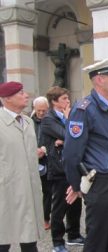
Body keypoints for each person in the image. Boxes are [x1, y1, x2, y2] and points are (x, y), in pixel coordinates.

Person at [63, 55, 108, 252]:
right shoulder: (84, 109)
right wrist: (77, 185)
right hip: (100, 183)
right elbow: (71, 153)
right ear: (99, 80)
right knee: (97, 239)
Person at [0, 81, 44, 252]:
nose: (26, 96)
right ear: (7, 98)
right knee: (3, 238)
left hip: (29, 188)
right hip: (6, 190)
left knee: (29, 237)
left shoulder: (27, 121)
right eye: (21, 93)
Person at [41, 87, 84, 252]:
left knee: (75, 204)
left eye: (68, 98)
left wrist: (64, 137)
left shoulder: (70, 116)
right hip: (58, 168)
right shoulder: (48, 119)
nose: (68, 101)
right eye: (64, 98)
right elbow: (69, 135)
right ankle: (57, 242)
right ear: (54, 101)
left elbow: (77, 137)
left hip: (72, 167)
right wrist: (67, 122)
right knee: (60, 206)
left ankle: (73, 235)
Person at [31, 96, 52, 230]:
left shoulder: (51, 121)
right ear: (34, 109)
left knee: (47, 191)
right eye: (39, 110)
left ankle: (45, 218)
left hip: (47, 160)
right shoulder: (28, 121)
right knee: (32, 192)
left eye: (44, 110)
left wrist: (44, 150)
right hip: (31, 160)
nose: (41, 113)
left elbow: (57, 139)